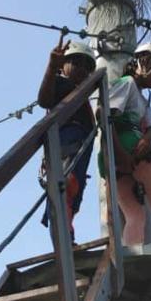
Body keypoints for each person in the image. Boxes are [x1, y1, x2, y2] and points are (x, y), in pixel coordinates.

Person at [100, 42, 151, 246]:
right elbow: (104, 115)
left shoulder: (143, 99)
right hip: (130, 147)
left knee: (135, 215)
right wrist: (121, 152)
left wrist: (149, 137)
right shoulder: (127, 83)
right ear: (145, 61)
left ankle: (131, 255)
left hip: (113, 158)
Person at [37, 37, 97, 243]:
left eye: (87, 66)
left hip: (79, 150)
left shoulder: (81, 96)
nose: (82, 69)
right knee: (64, 191)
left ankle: (67, 239)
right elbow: (44, 99)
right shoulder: (61, 84)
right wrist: (52, 67)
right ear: (63, 66)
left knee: (72, 197)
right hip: (66, 148)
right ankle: (64, 242)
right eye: (76, 62)